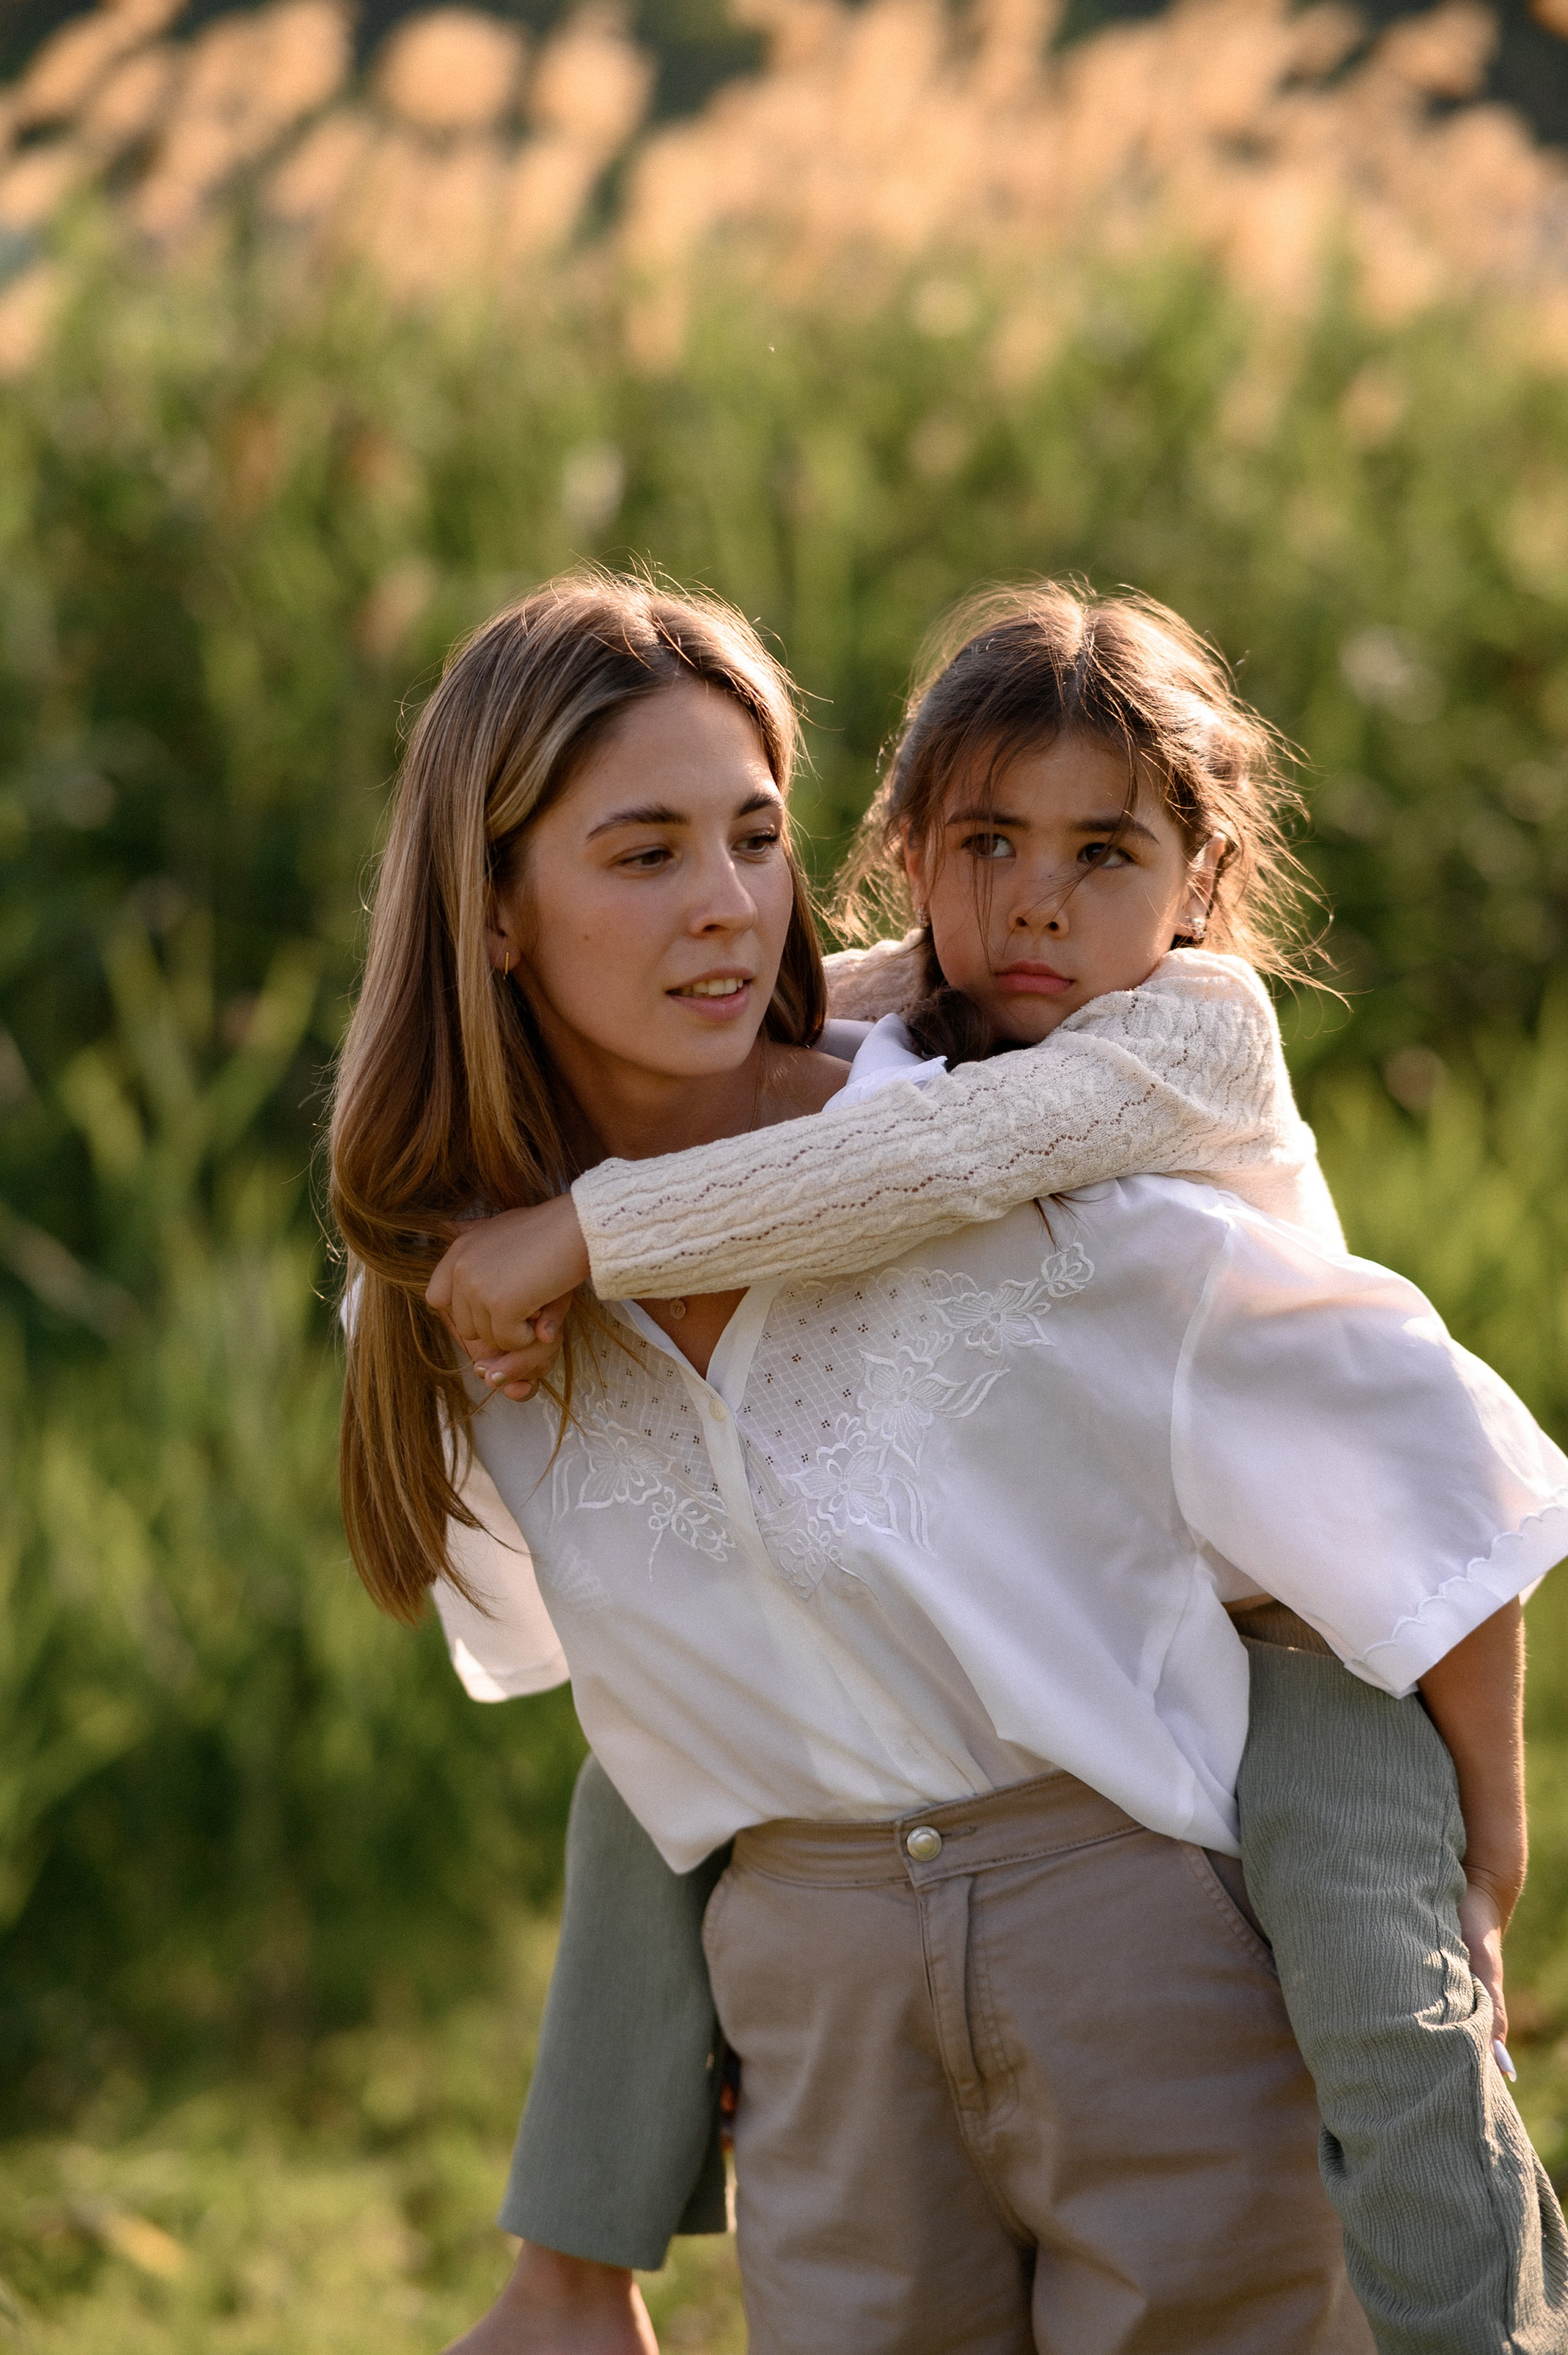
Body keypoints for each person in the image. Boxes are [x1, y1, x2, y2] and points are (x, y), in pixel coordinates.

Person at [331, 575, 1567, 2355]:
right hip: (820, 2040)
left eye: (758, 837)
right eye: (647, 852)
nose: (729, 904)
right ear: (494, 911)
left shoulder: (1027, 1161)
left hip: (1149, 1962)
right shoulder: (456, 1308)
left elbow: (1426, 1460)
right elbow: (647, 1732)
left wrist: (1484, 1853)